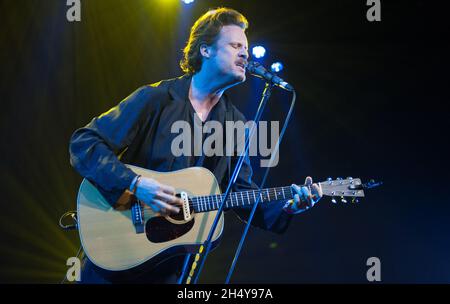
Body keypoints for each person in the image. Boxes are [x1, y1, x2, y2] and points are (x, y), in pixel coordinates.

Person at [69, 7, 322, 284]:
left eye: (246, 47)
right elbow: (85, 143)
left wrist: (286, 207)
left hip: (169, 268)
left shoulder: (235, 125)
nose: (245, 54)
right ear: (206, 50)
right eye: (236, 45)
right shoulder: (157, 99)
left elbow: (240, 194)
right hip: (113, 255)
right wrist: (136, 183)